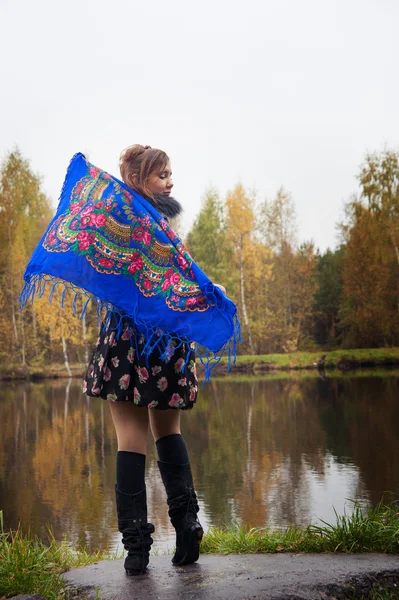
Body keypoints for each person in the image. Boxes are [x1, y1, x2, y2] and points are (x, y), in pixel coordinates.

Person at [83, 145, 206, 576]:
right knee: (166, 431)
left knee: (129, 436)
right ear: (140, 180)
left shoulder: (112, 225)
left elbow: (96, 271)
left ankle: (136, 548)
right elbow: (184, 281)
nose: (170, 181)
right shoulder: (163, 229)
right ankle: (188, 524)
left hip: (123, 342)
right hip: (166, 344)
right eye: (162, 175)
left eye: (171, 174)